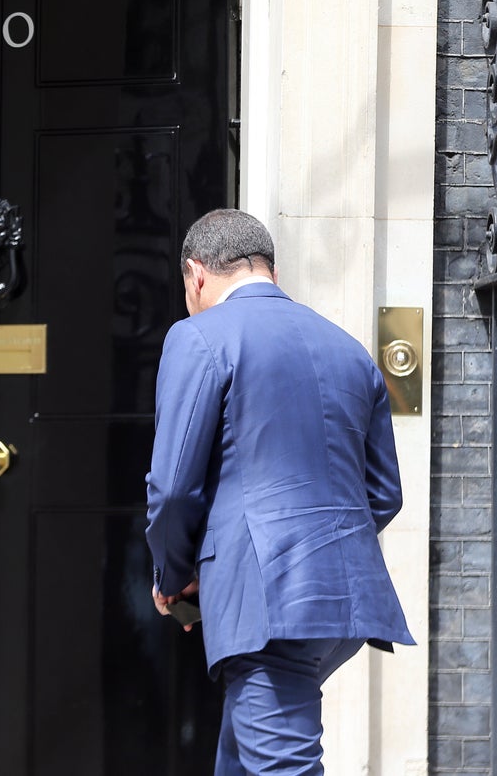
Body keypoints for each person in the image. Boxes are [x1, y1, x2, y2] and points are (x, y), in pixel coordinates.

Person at [144, 208, 413, 775]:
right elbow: (384, 494)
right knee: (242, 760)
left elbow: (172, 490)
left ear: (195, 274)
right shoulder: (348, 348)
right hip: (343, 602)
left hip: (267, 603)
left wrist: (174, 577)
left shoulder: (197, 336)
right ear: (269, 266)